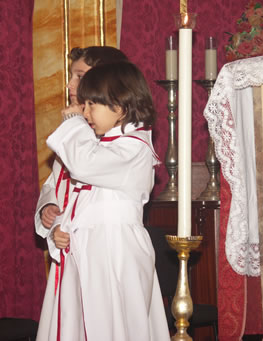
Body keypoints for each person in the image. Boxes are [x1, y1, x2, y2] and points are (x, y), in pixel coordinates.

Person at [36, 61, 170, 341]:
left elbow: (85, 165)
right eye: (82, 107)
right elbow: (81, 201)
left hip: (115, 254)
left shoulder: (136, 147)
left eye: (91, 106)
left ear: (119, 106)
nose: (84, 113)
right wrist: (59, 230)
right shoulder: (104, 144)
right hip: (89, 253)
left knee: (113, 327)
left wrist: (73, 125)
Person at [35, 46, 129, 242]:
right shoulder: (75, 126)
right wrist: (49, 207)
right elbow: (56, 180)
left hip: (103, 240)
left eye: (79, 76)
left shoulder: (116, 133)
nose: (69, 85)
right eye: (71, 76)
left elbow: (85, 167)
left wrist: (75, 124)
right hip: (68, 238)